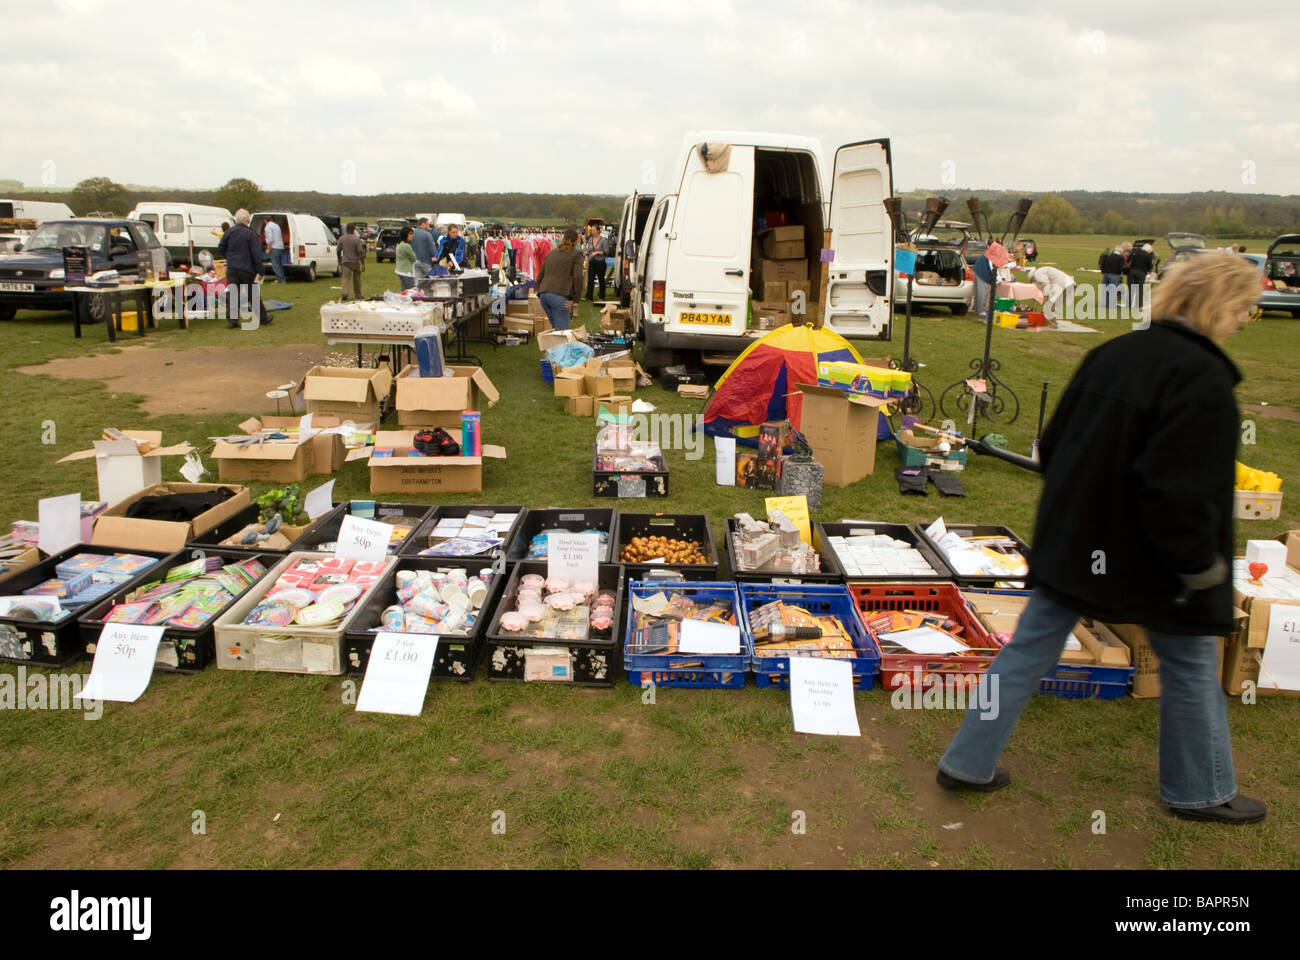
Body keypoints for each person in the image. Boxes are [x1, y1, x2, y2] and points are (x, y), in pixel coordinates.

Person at [937, 252, 1265, 825]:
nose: (1240, 322)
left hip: (1076, 544)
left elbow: (1051, 447)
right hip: (1153, 560)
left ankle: (966, 761)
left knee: (1027, 650)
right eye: (1240, 309)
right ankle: (1201, 791)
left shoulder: (1111, 354)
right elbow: (1181, 492)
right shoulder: (1202, 377)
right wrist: (1199, 571)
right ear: (1218, 305)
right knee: (1189, 664)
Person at [216, 209, 271, 328]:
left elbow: (221, 247)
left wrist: (229, 257)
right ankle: (263, 318)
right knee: (253, 294)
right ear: (248, 220)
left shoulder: (229, 232)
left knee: (233, 294)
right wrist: (260, 271)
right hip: (247, 268)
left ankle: (232, 321)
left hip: (232, 268)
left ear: (236, 220)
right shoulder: (251, 234)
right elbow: (256, 254)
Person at [535, 227, 584, 330]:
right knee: (561, 332)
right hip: (559, 295)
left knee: (555, 329)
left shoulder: (552, 252)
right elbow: (578, 277)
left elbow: (541, 274)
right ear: (576, 241)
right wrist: (576, 299)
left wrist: (539, 290)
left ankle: (551, 346)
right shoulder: (576, 254)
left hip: (544, 294)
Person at [338, 223, 366, 300]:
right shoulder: (357, 239)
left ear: (346, 229)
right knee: (357, 279)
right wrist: (363, 264)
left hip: (346, 261)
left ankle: (345, 294)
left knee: (345, 278)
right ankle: (358, 295)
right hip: (355, 262)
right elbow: (360, 252)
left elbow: (338, 250)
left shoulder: (342, 238)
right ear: (354, 229)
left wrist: (339, 260)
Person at [584, 226, 610, 300]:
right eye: (591, 230)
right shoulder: (590, 240)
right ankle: (589, 296)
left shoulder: (603, 240)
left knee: (601, 279)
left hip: (600, 262)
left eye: (593, 230)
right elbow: (588, 251)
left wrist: (597, 252)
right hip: (592, 262)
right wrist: (586, 260)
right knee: (590, 279)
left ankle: (601, 296)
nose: (592, 232)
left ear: (598, 231)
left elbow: (606, 251)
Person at [1127, 242, 1155, 309]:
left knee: (1131, 289)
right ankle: (1138, 305)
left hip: (1132, 271)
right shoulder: (1148, 255)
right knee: (1139, 289)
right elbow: (1150, 266)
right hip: (1141, 273)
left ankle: (1129, 304)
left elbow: (1128, 259)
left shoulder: (1135, 252)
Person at [1098, 245, 1126, 310]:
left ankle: (1105, 304)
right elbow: (1121, 267)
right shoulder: (1121, 258)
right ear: (1120, 251)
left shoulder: (1107, 256)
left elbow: (1102, 265)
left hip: (1106, 274)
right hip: (1115, 275)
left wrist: (1104, 272)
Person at [262, 217, 286, 284]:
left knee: (275, 265)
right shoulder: (276, 225)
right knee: (279, 264)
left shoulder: (268, 227)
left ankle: (281, 279)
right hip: (280, 247)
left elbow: (270, 239)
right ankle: (280, 278)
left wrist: (268, 248)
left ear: (265, 221)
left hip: (274, 247)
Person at [394, 226, 417, 291]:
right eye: (410, 234)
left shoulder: (399, 244)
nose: (412, 236)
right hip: (406, 271)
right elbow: (414, 258)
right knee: (411, 291)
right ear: (405, 235)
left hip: (400, 270)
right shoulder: (406, 246)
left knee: (404, 290)